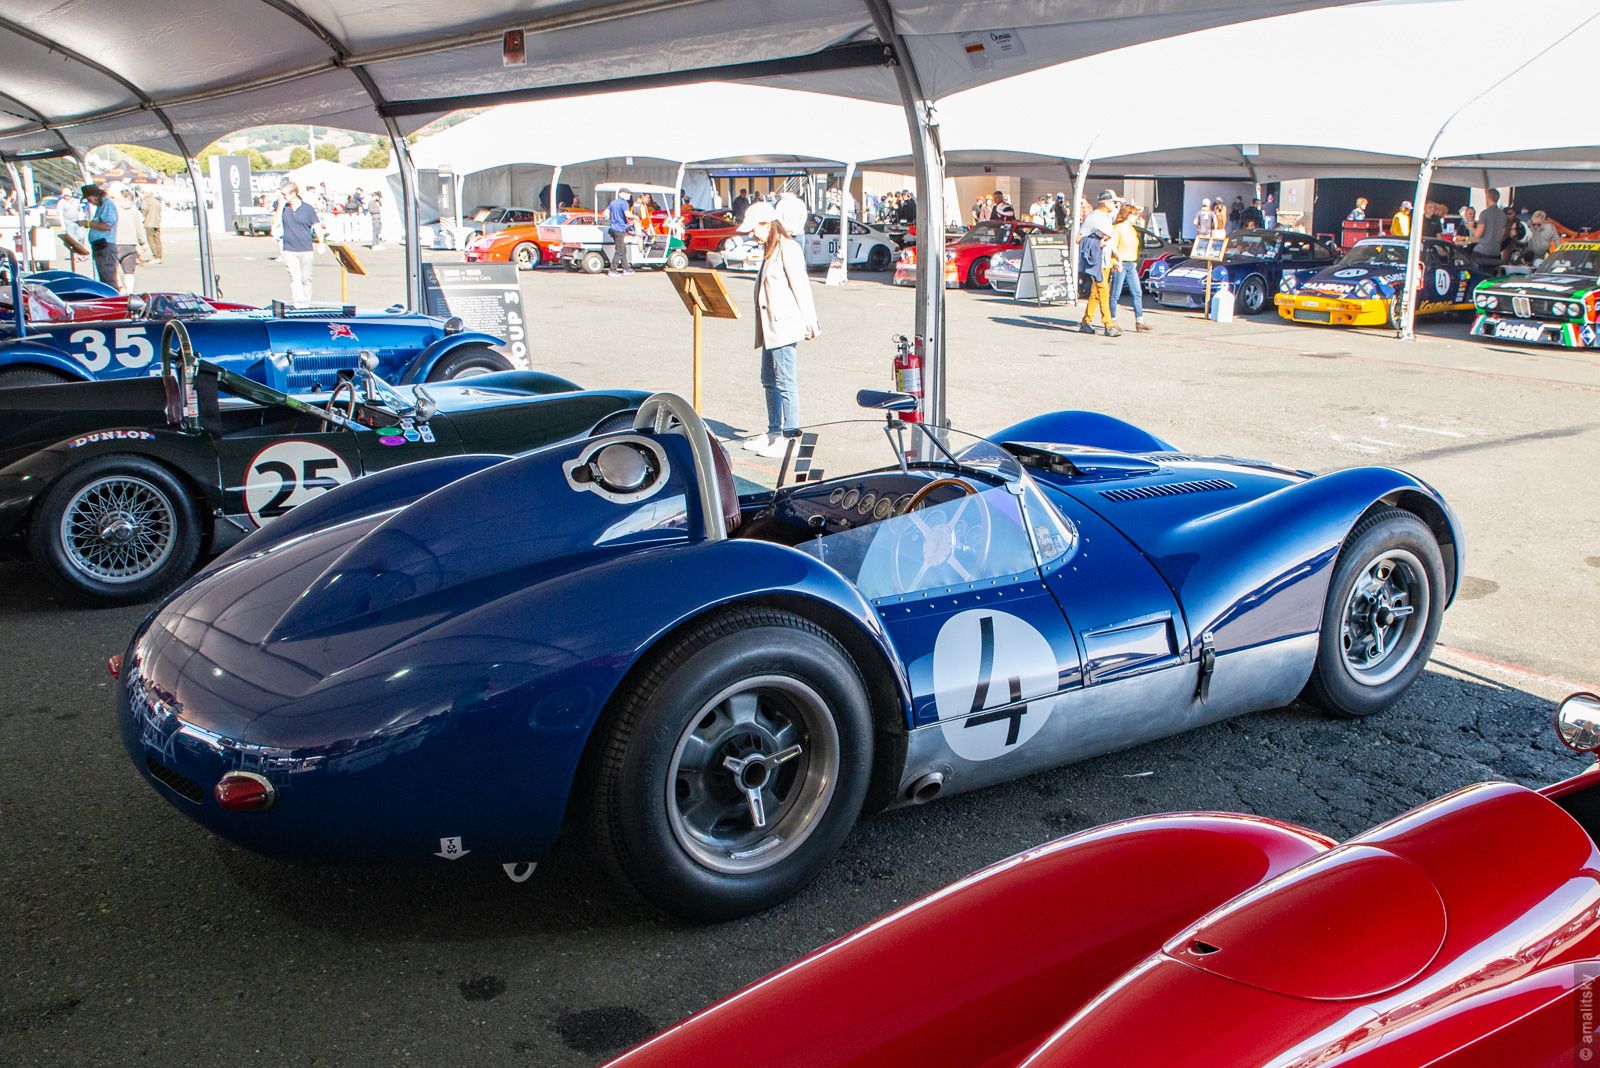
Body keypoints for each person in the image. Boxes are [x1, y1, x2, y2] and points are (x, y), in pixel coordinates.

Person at [739, 201, 819, 459]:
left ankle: (790, 437)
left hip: (784, 326)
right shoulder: (769, 249)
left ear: (767, 224)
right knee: (769, 379)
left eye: (754, 228)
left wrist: (810, 322)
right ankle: (774, 432)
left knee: (786, 382)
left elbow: (801, 287)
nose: (752, 234)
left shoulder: (789, 248)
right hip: (770, 327)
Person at [277, 181, 324, 303]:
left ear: (293, 194)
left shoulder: (308, 209)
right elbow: (275, 223)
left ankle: (306, 304)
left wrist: (321, 243)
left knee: (305, 279)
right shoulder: (283, 208)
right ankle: (298, 305)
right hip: (289, 250)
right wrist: (279, 207)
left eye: (284, 194)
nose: (283, 197)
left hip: (306, 249)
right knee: (295, 279)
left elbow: (317, 226)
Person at [1109, 202, 1150, 333]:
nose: (1135, 217)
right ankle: (1112, 320)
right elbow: (1113, 246)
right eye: (1133, 214)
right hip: (1120, 263)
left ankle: (1139, 320)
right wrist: (1116, 260)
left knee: (1137, 292)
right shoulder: (1118, 228)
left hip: (1131, 264)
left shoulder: (1132, 229)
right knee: (1116, 293)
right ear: (1127, 215)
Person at [82, 184, 119, 287]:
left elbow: (108, 226)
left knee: (109, 279)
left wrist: (89, 224)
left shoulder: (107, 205)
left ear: (96, 196)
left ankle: (113, 300)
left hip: (105, 246)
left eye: (89, 200)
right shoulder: (101, 206)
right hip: (100, 246)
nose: (90, 203)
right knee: (104, 278)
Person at [113, 187, 147, 293]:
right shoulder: (134, 209)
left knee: (114, 268)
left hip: (115, 241)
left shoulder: (113, 207)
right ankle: (130, 293)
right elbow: (139, 227)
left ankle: (120, 287)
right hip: (131, 243)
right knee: (129, 272)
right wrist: (143, 242)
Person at [1470, 189, 1504, 267]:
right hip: (1496, 252)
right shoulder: (1503, 215)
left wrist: (1471, 227)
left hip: (1482, 251)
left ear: (1488, 197)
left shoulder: (1484, 213)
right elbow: (1502, 236)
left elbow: (1478, 234)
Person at [606, 187, 633, 276]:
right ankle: (612, 270)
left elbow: (605, 213)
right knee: (619, 250)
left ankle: (626, 268)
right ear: (624, 194)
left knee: (623, 248)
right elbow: (627, 214)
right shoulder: (624, 203)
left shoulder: (613, 203)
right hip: (620, 229)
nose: (629, 196)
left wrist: (611, 218)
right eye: (628, 194)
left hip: (613, 228)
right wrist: (635, 217)